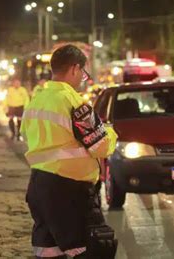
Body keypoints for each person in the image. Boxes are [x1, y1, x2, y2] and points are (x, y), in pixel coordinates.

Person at [21, 44, 118, 259]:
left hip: (38, 186)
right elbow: (100, 146)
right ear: (75, 68)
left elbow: (26, 135)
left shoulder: (36, 100)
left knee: (48, 251)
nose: (82, 78)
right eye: (83, 73)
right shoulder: (73, 101)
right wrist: (110, 132)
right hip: (70, 190)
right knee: (88, 250)